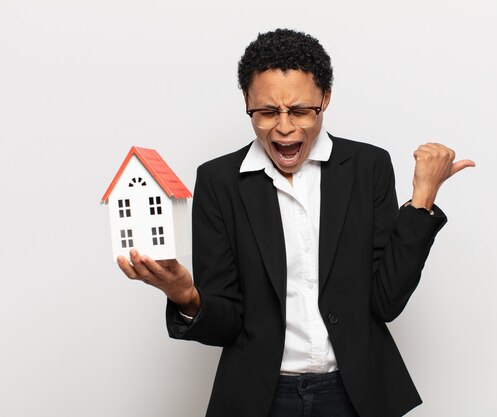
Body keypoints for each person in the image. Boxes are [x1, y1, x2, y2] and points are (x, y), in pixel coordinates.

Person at [117, 28, 474, 417]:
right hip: (261, 398)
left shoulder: (367, 167)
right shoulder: (219, 181)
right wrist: (187, 296)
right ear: (247, 103)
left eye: (301, 110)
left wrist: (422, 200)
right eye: (267, 112)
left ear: (326, 99)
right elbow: (227, 323)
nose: (284, 127)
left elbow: (385, 302)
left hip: (353, 393)